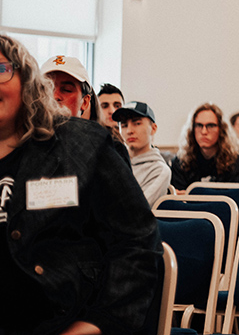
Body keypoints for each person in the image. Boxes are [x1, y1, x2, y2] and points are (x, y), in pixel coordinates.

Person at [0, 34, 160, 335]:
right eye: (51, 86)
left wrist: (98, 322)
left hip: (56, 317)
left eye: (1, 70)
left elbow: (135, 241)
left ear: (27, 84)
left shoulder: (87, 146)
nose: (56, 95)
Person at [171, 102, 239, 191]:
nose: (204, 131)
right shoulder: (181, 162)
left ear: (221, 129)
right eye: (199, 125)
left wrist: (191, 195)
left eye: (210, 126)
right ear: (192, 130)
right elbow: (178, 202)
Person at [115, 100, 171, 207]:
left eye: (137, 123)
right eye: (124, 125)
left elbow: (136, 209)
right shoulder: (114, 162)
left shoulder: (160, 170)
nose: (129, 131)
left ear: (153, 129)